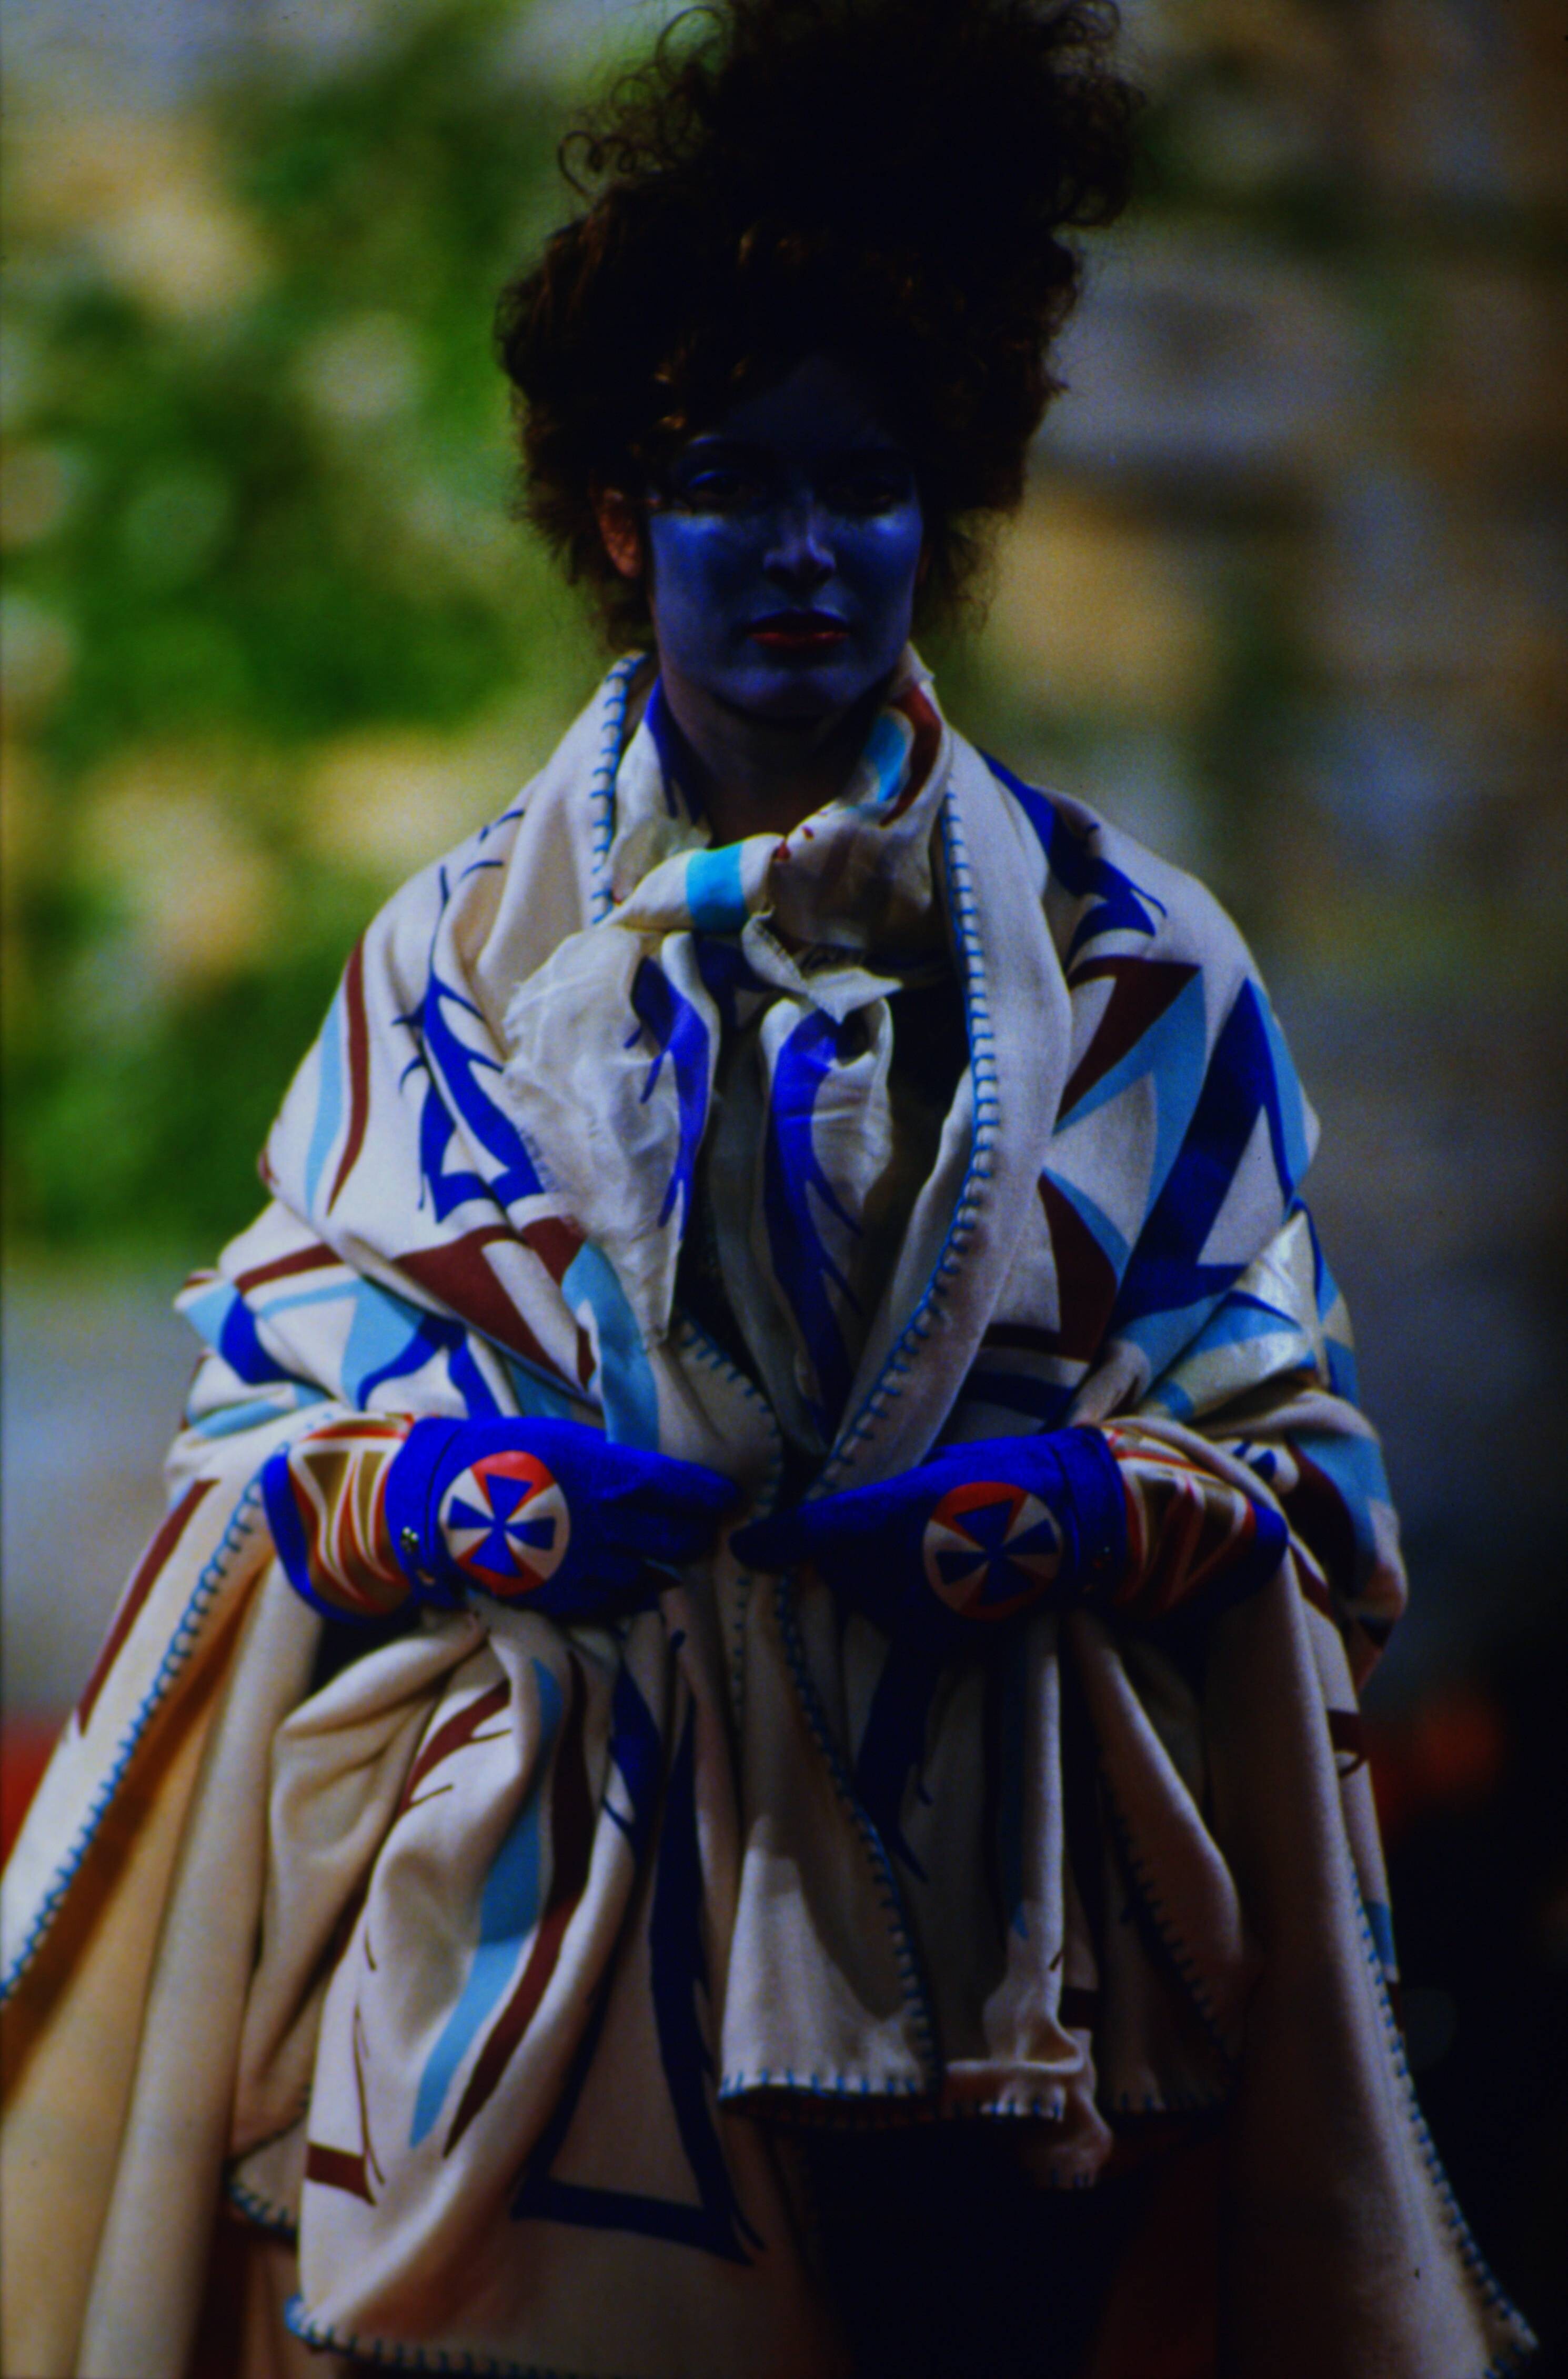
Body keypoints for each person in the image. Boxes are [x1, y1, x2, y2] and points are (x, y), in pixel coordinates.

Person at [0, 4, 1537, 2375]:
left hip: (1005, 1961)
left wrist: (1084, 1514)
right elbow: (277, 1427)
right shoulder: (451, 958)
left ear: (944, 504)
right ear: (624, 518)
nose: (805, 548)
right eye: (730, 480)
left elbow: (1300, 1462)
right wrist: (463, 1503)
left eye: (867, 480)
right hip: (543, 1943)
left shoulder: (1135, 962)